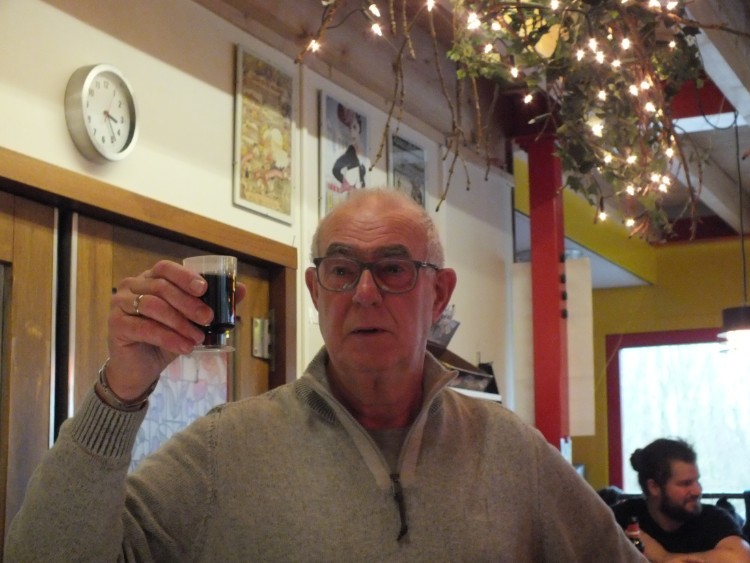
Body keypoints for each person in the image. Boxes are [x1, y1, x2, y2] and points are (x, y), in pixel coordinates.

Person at [6, 189, 644, 561]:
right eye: (341, 270)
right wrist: (119, 393)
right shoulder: (225, 451)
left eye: (392, 269)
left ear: (439, 293)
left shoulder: (510, 452)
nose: (364, 293)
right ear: (315, 291)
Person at [612, 438, 750, 562]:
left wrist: (665, 557)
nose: (697, 491)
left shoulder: (714, 519)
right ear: (654, 487)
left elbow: (742, 558)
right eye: (686, 484)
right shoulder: (621, 518)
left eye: (696, 481)